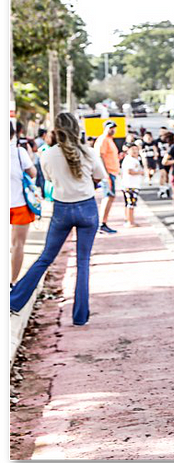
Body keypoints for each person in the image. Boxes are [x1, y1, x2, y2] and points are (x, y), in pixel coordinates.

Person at [10, 112, 105, 326]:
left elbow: (51, 179)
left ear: (56, 130)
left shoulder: (47, 154)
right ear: (76, 129)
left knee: (45, 258)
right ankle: (80, 317)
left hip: (62, 209)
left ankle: (14, 300)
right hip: (87, 208)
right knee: (83, 262)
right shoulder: (88, 152)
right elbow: (99, 176)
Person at [10, 121, 38, 286]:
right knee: (18, 245)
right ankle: (13, 281)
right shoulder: (20, 152)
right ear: (13, 134)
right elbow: (33, 173)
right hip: (20, 204)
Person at [94, 120, 121, 235]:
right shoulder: (103, 140)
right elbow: (100, 156)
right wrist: (105, 174)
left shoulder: (110, 140)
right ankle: (101, 223)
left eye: (114, 128)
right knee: (108, 196)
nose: (113, 130)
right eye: (110, 128)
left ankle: (103, 222)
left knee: (110, 196)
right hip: (108, 173)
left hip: (112, 172)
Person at [120, 142, 145, 228]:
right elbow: (129, 171)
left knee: (129, 204)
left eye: (136, 149)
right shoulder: (129, 160)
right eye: (132, 149)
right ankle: (130, 221)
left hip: (132, 184)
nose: (135, 151)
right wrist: (140, 172)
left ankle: (129, 220)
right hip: (130, 185)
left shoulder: (134, 159)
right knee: (130, 204)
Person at [156, 130, 174, 199]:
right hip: (161, 159)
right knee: (162, 174)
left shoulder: (172, 144)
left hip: (169, 160)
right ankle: (161, 189)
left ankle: (166, 188)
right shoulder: (157, 141)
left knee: (167, 175)